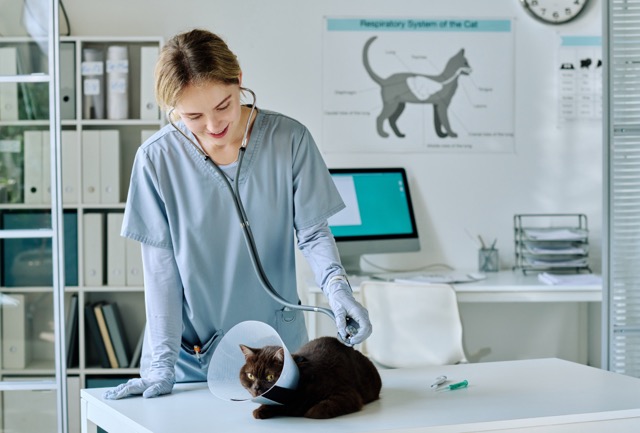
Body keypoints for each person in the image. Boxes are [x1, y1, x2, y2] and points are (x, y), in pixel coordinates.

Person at [103, 28, 372, 400]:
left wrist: (339, 292)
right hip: (191, 361)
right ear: (173, 112)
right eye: (193, 116)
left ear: (239, 81)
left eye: (224, 105)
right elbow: (161, 271)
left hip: (278, 354)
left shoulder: (289, 140)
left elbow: (312, 233)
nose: (213, 127)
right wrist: (161, 366)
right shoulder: (156, 160)